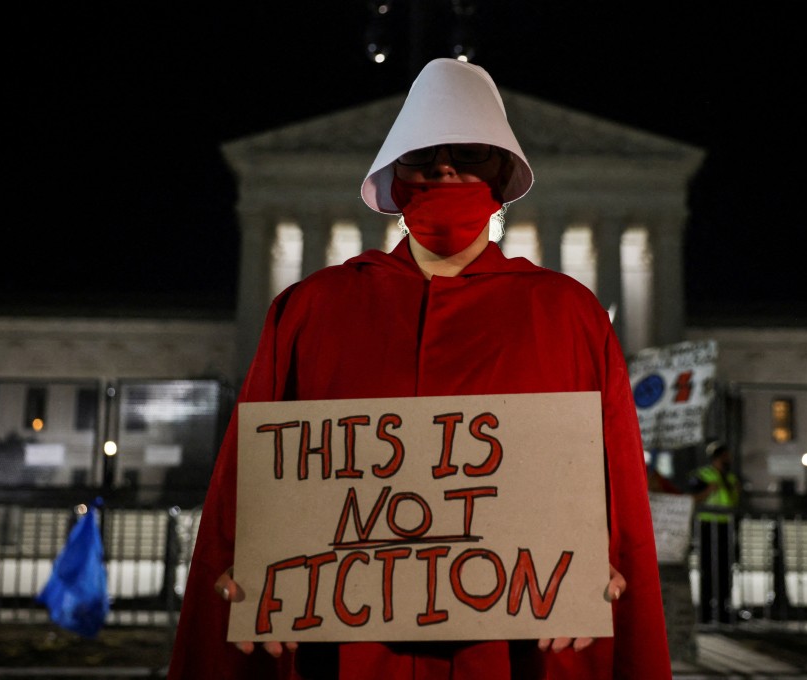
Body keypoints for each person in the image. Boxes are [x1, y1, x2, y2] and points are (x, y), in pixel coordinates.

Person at [168, 57, 671, 680]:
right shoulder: (310, 311)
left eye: (467, 154)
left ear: (502, 172)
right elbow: (245, 496)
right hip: (344, 652)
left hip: (515, 652)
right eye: (424, 156)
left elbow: (616, 497)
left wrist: (600, 564)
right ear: (395, 177)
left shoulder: (568, 314)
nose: (444, 169)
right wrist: (244, 563)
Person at [688, 440, 741, 624]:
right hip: (707, 527)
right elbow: (692, 498)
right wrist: (709, 489)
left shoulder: (731, 478)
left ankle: (723, 609)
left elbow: (734, 503)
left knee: (725, 570)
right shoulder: (702, 475)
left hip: (725, 527)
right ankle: (705, 610)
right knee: (708, 570)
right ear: (717, 457)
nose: (729, 460)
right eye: (726, 456)